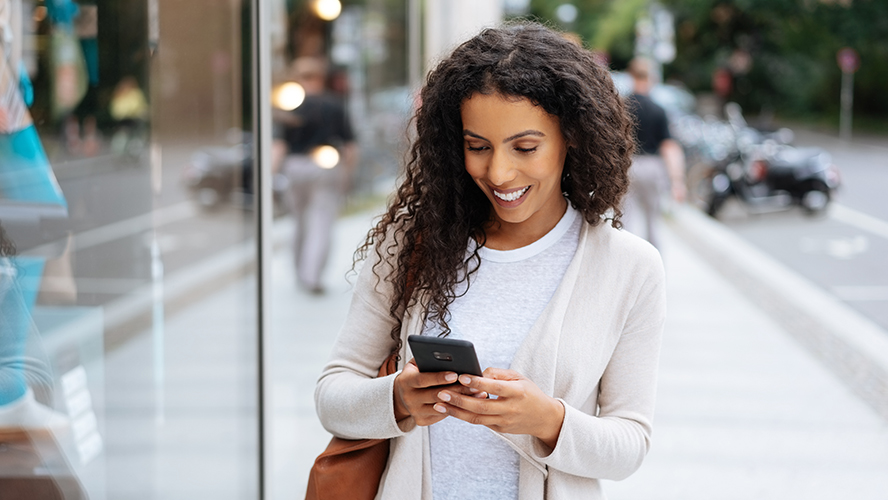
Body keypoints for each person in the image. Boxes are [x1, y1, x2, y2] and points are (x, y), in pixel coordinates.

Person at [314, 23, 666, 499]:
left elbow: (630, 444)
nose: (498, 172)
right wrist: (397, 398)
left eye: (525, 147)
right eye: (477, 147)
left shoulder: (629, 267)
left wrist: (547, 420)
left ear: (573, 138)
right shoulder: (411, 243)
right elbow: (333, 397)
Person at [274, 57, 357, 294]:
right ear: (321, 78)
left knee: (298, 223)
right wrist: (347, 175)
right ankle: (312, 277)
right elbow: (350, 147)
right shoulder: (334, 106)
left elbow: (279, 146)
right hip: (325, 167)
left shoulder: (290, 106)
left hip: (294, 166)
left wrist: (272, 175)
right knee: (321, 222)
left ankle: (300, 273)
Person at [622, 57, 686, 250]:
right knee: (653, 223)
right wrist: (677, 181)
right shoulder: (659, 109)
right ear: (650, 78)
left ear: (631, 76)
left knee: (625, 224)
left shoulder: (621, 106)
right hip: (652, 166)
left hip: (628, 165)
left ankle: (627, 270)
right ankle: (654, 272)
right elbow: (668, 147)